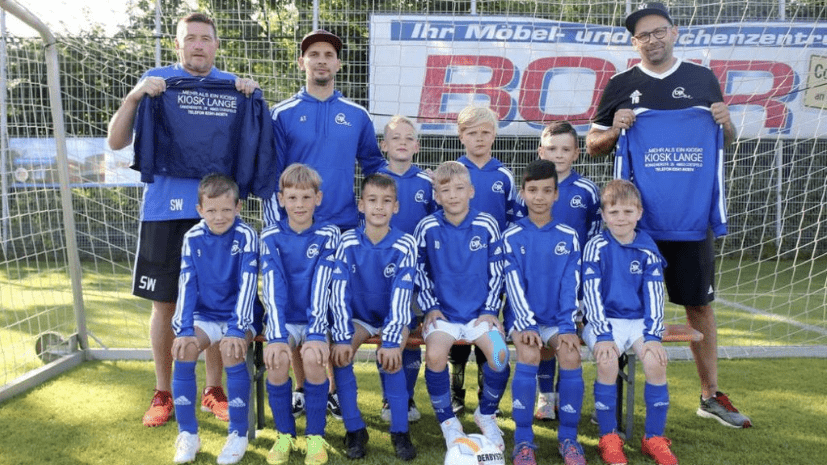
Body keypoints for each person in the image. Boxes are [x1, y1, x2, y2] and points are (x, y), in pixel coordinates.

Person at [585, 2, 751, 429]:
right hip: (634, 225)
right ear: (634, 42)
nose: (652, 39)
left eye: (659, 31)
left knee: (698, 304)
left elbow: (724, 140)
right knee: (622, 303)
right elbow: (592, 143)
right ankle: (615, 403)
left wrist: (727, 122)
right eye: (643, 35)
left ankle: (710, 394)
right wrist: (614, 128)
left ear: (674, 33)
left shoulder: (702, 78)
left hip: (690, 219)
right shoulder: (621, 84)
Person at [106, 12, 261, 427]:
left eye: (205, 39)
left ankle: (213, 391)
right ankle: (164, 393)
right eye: (189, 38)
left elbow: (255, 140)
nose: (197, 45)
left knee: (216, 303)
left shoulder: (234, 88)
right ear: (178, 45)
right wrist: (135, 96)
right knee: (166, 305)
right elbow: (116, 141)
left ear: (215, 45)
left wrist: (250, 93)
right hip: (164, 213)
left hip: (218, 216)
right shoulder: (157, 82)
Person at [263, 29, 387, 418]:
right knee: (299, 306)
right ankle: (304, 388)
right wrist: (275, 225)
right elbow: (274, 176)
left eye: (328, 54)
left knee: (334, 312)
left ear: (338, 64)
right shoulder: (281, 113)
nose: (320, 60)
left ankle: (332, 389)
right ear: (302, 62)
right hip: (296, 230)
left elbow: (374, 168)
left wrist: (416, 174)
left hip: (345, 228)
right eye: (313, 54)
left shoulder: (357, 115)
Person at [414, 161, 509, 452]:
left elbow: (499, 270)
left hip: (480, 313)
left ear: (470, 191)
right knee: (435, 355)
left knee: (501, 354)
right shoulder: (427, 226)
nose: (453, 195)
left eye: (459, 189)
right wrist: (429, 306)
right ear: (437, 196)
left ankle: (486, 413)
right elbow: (417, 269)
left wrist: (491, 309)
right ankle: (449, 424)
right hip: (443, 313)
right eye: (445, 190)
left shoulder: (487, 224)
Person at [582, 179, 676, 465]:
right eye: (614, 212)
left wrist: (652, 335)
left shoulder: (647, 247)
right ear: (604, 215)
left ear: (639, 213)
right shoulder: (596, 246)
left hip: (638, 322)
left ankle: (654, 438)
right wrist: (603, 334)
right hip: (604, 320)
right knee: (608, 360)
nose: (620, 218)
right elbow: (591, 294)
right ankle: (609, 437)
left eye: (627, 211)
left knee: (655, 362)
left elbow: (654, 294)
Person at [170, 174, 260, 464]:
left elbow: (248, 284)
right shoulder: (192, 237)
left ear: (238, 207)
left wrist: (237, 329)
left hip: (241, 316)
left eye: (225, 209)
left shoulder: (247, 236)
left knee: (231, 350)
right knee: (183, 349)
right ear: (200, 210)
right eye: (211, 210)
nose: (219, 216)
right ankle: (188, 435)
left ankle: (237, 434)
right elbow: (187, 283)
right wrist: (183, 329)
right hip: (206, 315)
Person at [329, 173, 419, 461]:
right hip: (360, 318)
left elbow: (402, 296)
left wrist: (392, 339)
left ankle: (400, 431)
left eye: (386, 201)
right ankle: (355, 429)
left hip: (395, 317)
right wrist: (343, 337)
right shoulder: (347, 243)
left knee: (392, 356)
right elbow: (338, 294)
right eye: (372, 200)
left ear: (396, 207)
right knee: (339, 354)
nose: (379, 207)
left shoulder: (405, 244)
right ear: (361, 205)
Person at [259, 164, 343, 465]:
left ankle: (315, 436)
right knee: (277, 359)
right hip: (285, 320)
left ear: (318, 199)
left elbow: (323, 286)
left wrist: (319, 333)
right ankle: (284, 435)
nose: (299, 205)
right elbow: (272, 287)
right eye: (292, 198)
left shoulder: (329, 234)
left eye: (306, 198)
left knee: (313, 358)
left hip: (317, 319)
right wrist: (277, 337)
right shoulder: (270, 235)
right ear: (281, 199)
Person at [503, 160, 586, 465]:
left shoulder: (568, 235)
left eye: (546, 191)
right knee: (528, 355)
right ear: (522, 193)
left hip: (556, 320)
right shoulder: (511, 235)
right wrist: (525, 324)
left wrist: (567, 326)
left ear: (556, 195)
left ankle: (569, 438)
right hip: (522, 320)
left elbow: (570, 284)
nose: (539, 197)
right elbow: (512, 284)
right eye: (533, 190)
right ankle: (523, 440)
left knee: (570, 355)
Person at [449, 105, 518, 416]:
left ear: (494, 134)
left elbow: (515, 219)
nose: (479, 138)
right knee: (456, 329)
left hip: (492, 268)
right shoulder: (452, 170)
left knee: (487, 325)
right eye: (472, 132)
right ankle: (456, 393)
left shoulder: (504, 175)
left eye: (485, 132)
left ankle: (484, 395)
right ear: (461, 136)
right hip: (458, 267)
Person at [531, 121, 601, 421]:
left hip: (576, 286)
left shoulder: (586, 190)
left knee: (569, 339)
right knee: (546, 341)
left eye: (565, 149)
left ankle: (564, 393)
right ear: (540, 151)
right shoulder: (531, 189)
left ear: (576, 154)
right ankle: (545, 397)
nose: (558, 155)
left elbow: (595, 238)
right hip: (540, 284)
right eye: (551, 149)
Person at [376, 115, 437, 423]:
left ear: (417, 145)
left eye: (407, 137)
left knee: (411, 332)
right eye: (394, 137)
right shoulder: (374, 178)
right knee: (387, 330)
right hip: (379, 273)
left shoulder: (428, 183)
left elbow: (437, 226)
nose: (401, 142)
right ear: (384, 145)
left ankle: (408, 397)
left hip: (416, 275)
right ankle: (389, 398)